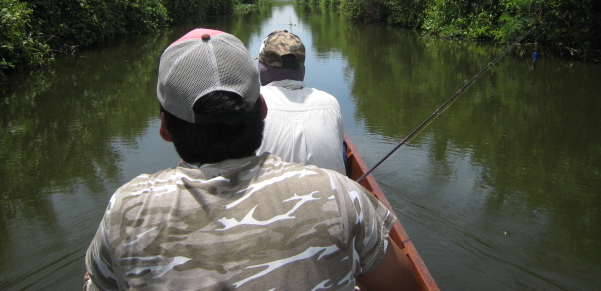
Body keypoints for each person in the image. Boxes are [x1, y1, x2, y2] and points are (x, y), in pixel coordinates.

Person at [84, 28, 416, 291]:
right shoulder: (340, 194)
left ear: (165, 129)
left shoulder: (125, 212)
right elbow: (405, 287)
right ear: (261, 109)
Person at [257, 30, 346, 174]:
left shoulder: (249, 103)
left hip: (270, 195)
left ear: (262, 68)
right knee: (342, 148)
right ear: (302, 69)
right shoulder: (330, 104)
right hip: (329, 194)